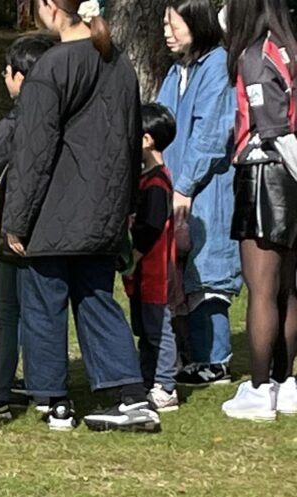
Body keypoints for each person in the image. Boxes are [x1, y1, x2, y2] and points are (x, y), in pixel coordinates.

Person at [2, 0, 160, 433]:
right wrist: (126, 206)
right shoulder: (120, 65)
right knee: (96, 299)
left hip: (53, 211)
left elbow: (33, 150)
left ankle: (55, 402)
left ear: (51, 7)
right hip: (104, 208)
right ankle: (131, 395)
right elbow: (131, 143)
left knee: (43, 304)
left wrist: (16, 219)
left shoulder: (52, 67)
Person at [157, 0, 242, 385]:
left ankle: (214, 359)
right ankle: (188, 356)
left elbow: (211, 136)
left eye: (174, 24)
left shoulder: (217, 67)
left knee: (207, 275)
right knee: (178, 274)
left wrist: (184, 186)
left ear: (198, 23)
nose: (167, 31)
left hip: (206, 189)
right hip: (175, 185)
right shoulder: (177, 71)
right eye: (165, 23)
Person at [221, 0, 297, 420]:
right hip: (289, 177)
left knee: (262, 289)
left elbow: (273, 129)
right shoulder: (291, 48)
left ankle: (257, 388)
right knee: (289, 287)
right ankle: (286, 383)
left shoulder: (255, 55)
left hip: (265, 170)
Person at [0, 33, 56, 421]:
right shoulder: (62, 121)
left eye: (8, 72)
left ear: (20, 78)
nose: (4, 77)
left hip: (10, 234)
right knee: (42, 310)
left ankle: (0, 388)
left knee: (8, 313)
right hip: (49, 232)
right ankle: (41, 383)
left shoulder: (11, 126)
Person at [124, 103, 180, 412]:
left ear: (147, 140)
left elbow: (151, 227)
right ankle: (148, 379)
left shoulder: (157, 182)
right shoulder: (145, 178)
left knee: (159, 329)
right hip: (142, 274)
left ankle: (166, 386)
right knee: (145, 330)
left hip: (155, 271)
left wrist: (134, 254)